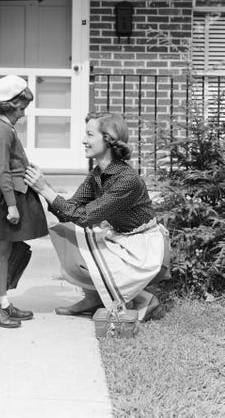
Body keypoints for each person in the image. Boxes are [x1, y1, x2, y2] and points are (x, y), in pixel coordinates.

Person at [25, 113, 170, 321]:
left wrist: (45, 191)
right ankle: (93, 299)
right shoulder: (97, 174)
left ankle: (145, 299)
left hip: (143, 248)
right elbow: (69, 210)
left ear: (108, 139)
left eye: (90, 135)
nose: (84, 140)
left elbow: (85, 217)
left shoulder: (126, 179)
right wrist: (45, 187)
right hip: (122, 240)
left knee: (83, 242)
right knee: (66, 233)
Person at [0, 75, 48, 329]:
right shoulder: (2, 130)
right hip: (1, 197)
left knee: (4, 251)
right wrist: (12, 205)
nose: (24, 114)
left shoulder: (1, 126)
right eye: (21, 108)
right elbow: (2, 171)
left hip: (4, 194)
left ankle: (2, 302)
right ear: (8, 105)